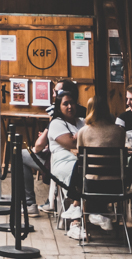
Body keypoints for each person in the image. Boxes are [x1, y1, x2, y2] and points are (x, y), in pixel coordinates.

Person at [76, 95, 126, 232]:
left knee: (80, 165)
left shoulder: (83, 132)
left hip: (93, 185)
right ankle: (102, 213)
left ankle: (77, 207)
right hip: (116, 185)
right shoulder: (119, 131)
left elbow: (80, 153)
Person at [48, 89, 86, 238]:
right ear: (59, 107)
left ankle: (96, 211)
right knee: (76, 172)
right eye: (66, 104)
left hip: (81, 160)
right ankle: (75, 223)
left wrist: (79, 136)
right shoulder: (56, 123)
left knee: (93, 171)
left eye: (72, 103)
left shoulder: (81, 122)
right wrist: (82, 136)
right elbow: (70, 143)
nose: (70, 106)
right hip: (63, 161)